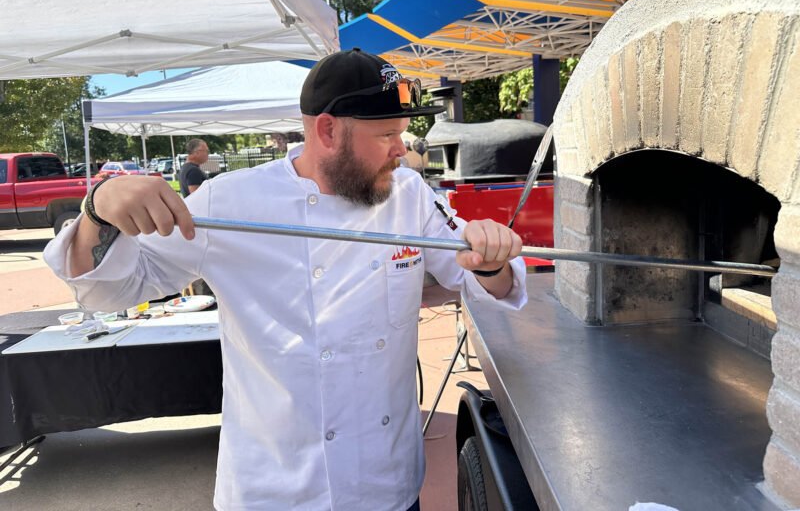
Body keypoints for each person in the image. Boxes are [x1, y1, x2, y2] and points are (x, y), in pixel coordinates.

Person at [44, 49, 527, 511]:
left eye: (401, 132)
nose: (402, 149)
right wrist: (97, 211)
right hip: (273, 487)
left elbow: (481, 280)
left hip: (386, 481)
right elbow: (110, 290)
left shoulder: (410, 194)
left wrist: (490, 261)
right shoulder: (227, 202)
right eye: (386, 135)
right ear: (328, 130)